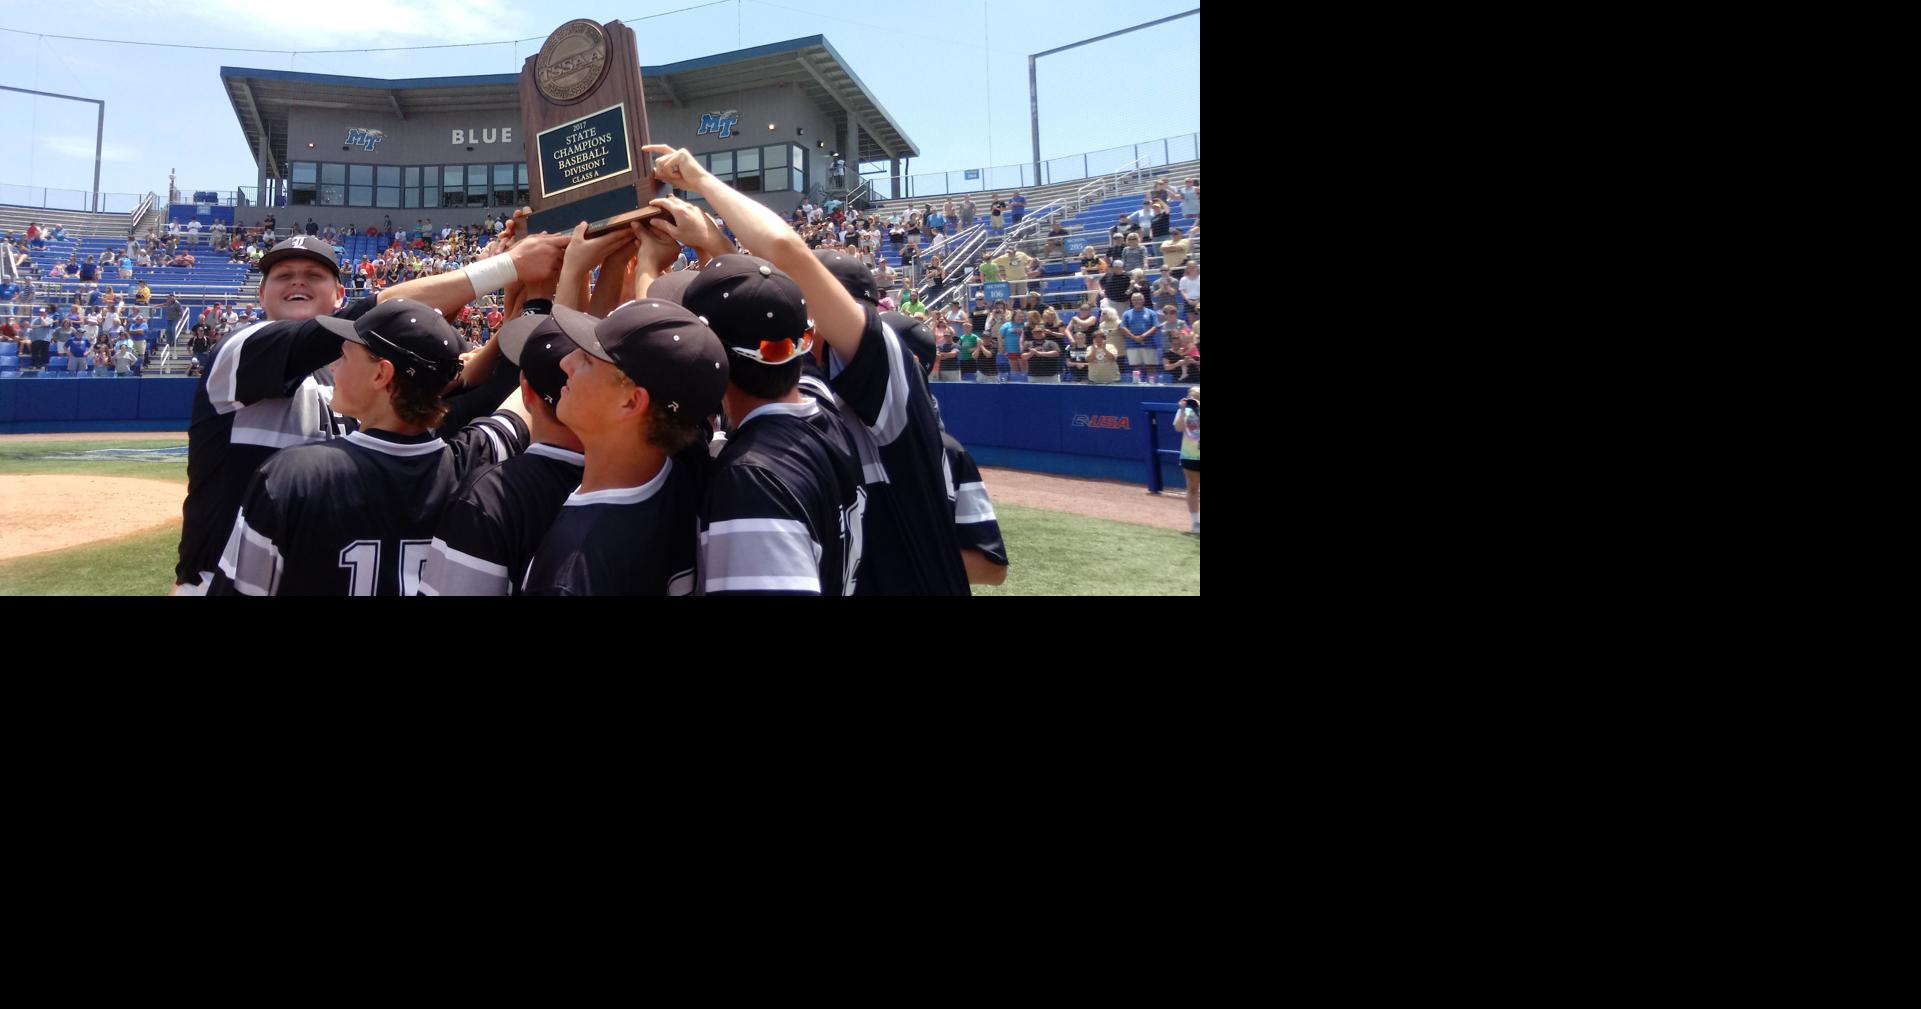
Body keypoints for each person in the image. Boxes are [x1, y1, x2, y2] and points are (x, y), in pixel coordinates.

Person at [174, 225, 569, 593]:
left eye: (314, 275)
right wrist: (505, 267)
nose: (297, 280)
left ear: (339, 295)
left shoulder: (353, 383)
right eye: (282, 275)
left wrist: (520, 288)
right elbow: (378, 320)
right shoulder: (240, 351)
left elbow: (442, 361)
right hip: (222, 579)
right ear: (260, 296)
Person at [655, 141, 970, 595]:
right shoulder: (810, 393)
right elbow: (750, 309)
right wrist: (712, 243)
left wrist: (700, 180)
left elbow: (784, 250)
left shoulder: (889, 382)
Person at [209, 300, 530, 595]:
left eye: (346, 356)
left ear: (381, 373)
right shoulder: (473, 466)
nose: (334, 368)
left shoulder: (290, 476)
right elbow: (526, 390)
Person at [517, 298, 727, 597]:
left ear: (631, 402)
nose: (566, 362)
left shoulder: (573, 573)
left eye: (588, 359)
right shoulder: (687, 469)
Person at [1174, 387, 1200, 534]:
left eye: (1197, 397)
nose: (1194, 400)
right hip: (1190, 455)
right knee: (1192, 488)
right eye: (1191, 397)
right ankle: (1196, 523)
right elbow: (1178, 428)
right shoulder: (1184, 410)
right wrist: (1183, 410)